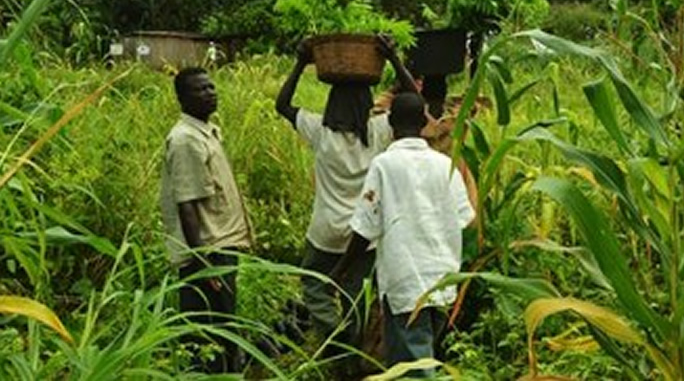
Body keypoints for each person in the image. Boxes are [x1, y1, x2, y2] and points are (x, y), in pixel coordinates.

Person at [274, 36, 418, 355]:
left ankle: (333, 336)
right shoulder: (379, 132)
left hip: (325, 230)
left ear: (331, 104)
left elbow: (282, 105)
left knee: (314, 284)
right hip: (362, 233)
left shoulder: (320, 133)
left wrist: (300, 62)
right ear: (366, 105)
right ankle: (353, 344)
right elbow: (412, 101)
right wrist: (393, 58)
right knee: (354, 292)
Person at [333, 92, 475, 378]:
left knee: (413, 368)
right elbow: (465, 217)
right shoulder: (444, 164)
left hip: (406, 281)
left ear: (391, 123)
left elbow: (365, 228)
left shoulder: (385, 165)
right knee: (422, 357)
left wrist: (340, 270)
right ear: (424, 121)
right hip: (442, 279)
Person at [159, 67, 253, 373]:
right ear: (182, 98)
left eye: (211, 87)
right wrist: (203, 263)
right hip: (209, 249)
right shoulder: (186, 140)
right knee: (207, 329)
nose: (210, 93)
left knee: (222, 322)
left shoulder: (205, 132)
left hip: (220, 243)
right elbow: (186, 205)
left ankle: (225, 370)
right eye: (201, 89)